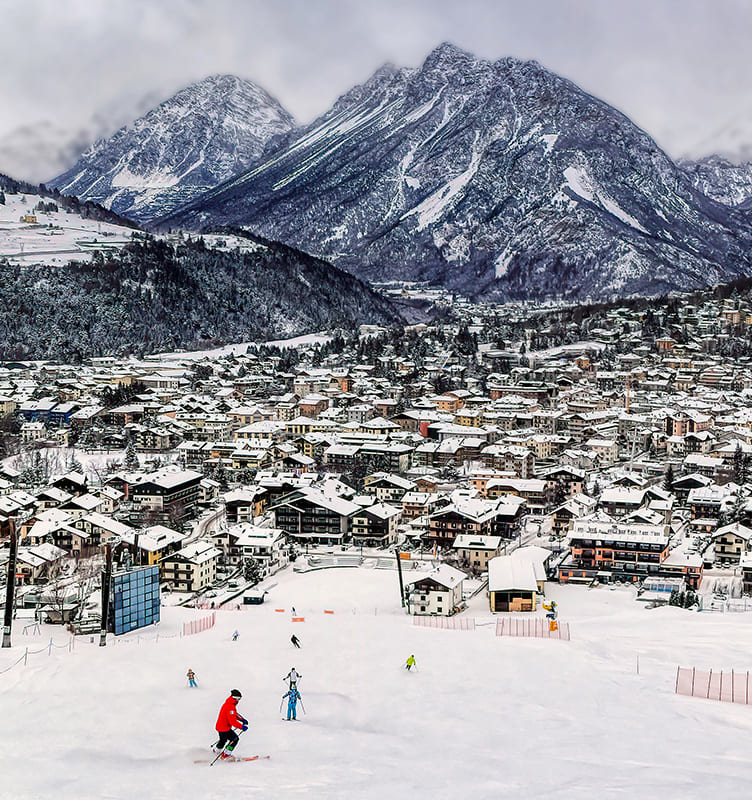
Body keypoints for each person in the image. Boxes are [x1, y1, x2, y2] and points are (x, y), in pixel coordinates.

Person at [213, 689, 248, 759]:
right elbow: (233, 722)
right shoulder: (230, 707)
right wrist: (242, 727)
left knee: (223, 740)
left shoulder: (228, 704)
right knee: (234, 739)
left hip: (220, 727)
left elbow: (234, 714)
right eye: (239, 699)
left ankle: (216, 751)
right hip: (224, 728)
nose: (239, 700)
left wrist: (242, 719)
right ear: (235, 698)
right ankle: (226, 754)